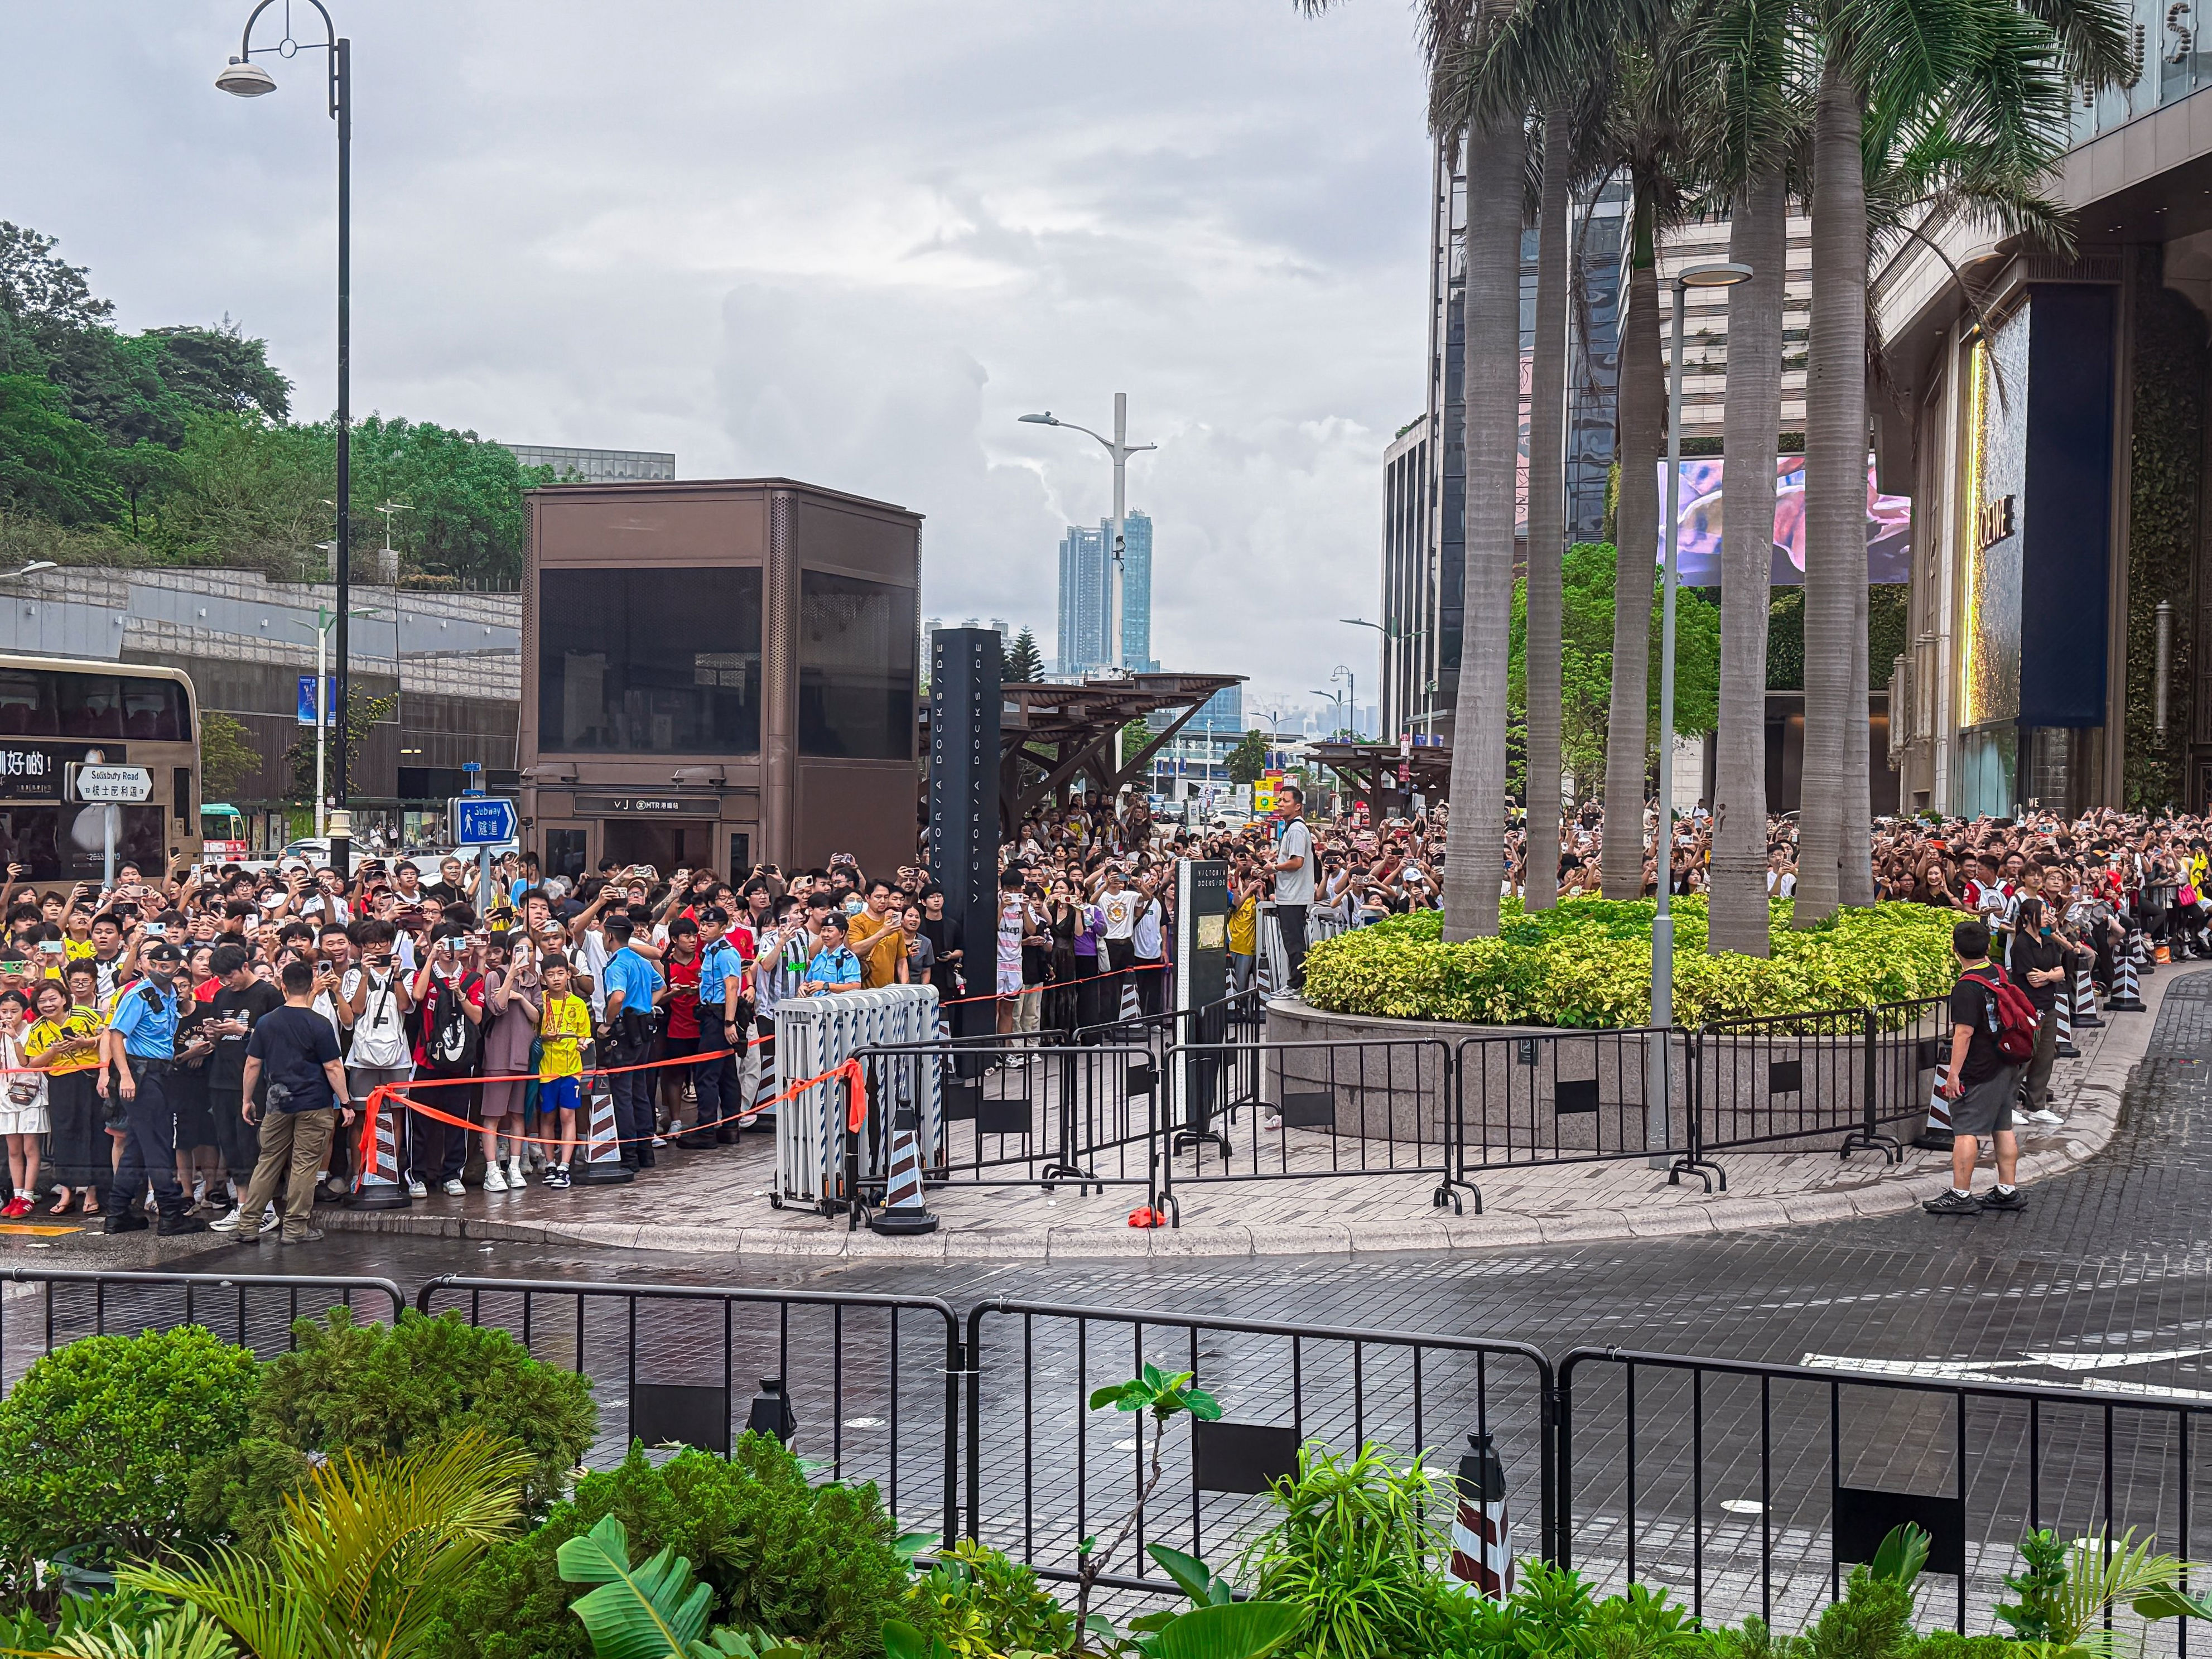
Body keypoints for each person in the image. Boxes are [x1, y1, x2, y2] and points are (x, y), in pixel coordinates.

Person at [233, 958, 351, 1246]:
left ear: (282, 986)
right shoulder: (320, 1023)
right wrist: (345, 1102)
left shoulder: (266, 1022)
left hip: (277, 1103)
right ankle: (296, 1227)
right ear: (311, 987)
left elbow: (252, 1064)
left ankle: (248, 1225)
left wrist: (247, 1099)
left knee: (268, 1162)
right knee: (305, 1165)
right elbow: (333, 1067)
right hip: (314, 1102)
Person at [98, 940, 206, 1236]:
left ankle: (118, 1213)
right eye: (155, 964)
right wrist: (125, 1076)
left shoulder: (170, 995)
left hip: (160, 1073)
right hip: (140, 1075)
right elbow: (116, 1035)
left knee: (137, 1146)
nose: (160, 970)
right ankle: (171, 1213)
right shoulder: (139, 994)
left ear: (178, 967)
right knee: (157, 1144)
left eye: (166, 965)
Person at [1924, 919, 2029, 1217]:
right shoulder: (1997, 972)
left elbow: (1964, 1033)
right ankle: (2007, 1190)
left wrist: (1953, 1074)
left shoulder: (1966, 987)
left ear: (1955, 949)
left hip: (1980, 1067)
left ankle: (1960, 1193)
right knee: (2002, 1126)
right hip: (2007, 1060)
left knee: (1966, 1130)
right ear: (1986, 948)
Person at [25, 975, 104, 1216]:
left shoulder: (85, 1015)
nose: (48, 1005)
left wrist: (86, 1043)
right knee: (64, 1135)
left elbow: (108, 1037)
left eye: (53, 999)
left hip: (90, 1079)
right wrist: (53, 1052)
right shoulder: (38, 1028)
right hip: (61, 1083)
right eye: (42, 1001)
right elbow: (32, 1064)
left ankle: (92, 1191)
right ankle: (67, 1192)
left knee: (94, 1133)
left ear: (64, 998)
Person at [597, 914, 664, 1173]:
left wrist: (607, 1022)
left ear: (610, 936)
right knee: (640, 1091)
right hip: (644, 1030)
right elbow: (662, 986)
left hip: (624, 1032)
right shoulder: (641, 960)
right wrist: (645, 1007)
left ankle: (629, 1155)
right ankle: (646, 1152)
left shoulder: (617, 965)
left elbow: (617, 997)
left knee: (623, 1093)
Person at [534, 952, 591, 1188]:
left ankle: (564, 1166)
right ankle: (550, 1163)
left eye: (560, 973)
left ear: (568, 975)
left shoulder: (578, 1003)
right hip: (546, 1069)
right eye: (551, 975)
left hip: (571, 1069)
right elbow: (532, 1032)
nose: (556, 978)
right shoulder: (539, 1000)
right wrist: (544, 1036)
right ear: (543, 978)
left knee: (568, 1115)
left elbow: (585, 1035)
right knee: (548, 1116)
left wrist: (582, 1043)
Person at [0, 990, 45, 1218]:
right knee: (14, 1149)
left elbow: (25, 1062)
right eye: (4, 1011)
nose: (9, 1016)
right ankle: (17, 1195)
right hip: (6, 1094)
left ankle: (28, 1195)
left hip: (31, 1093)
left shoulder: (33, 1030)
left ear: (24, 1011)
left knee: (30, 1148)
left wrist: (14, 1037)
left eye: (14, 1011)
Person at [1270, 784, 1315, 991]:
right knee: (1292, 941)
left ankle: (1297, 985)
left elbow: (1297, 862)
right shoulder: (1292, 828)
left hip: (1294, 895)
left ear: (1298, 806)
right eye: (1279, 800)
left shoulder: (1297, 829)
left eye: (1285, 801)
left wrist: (1273, 868)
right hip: (1289, 894)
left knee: (1294, 942)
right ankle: (1297, 984)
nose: (1280, 804)